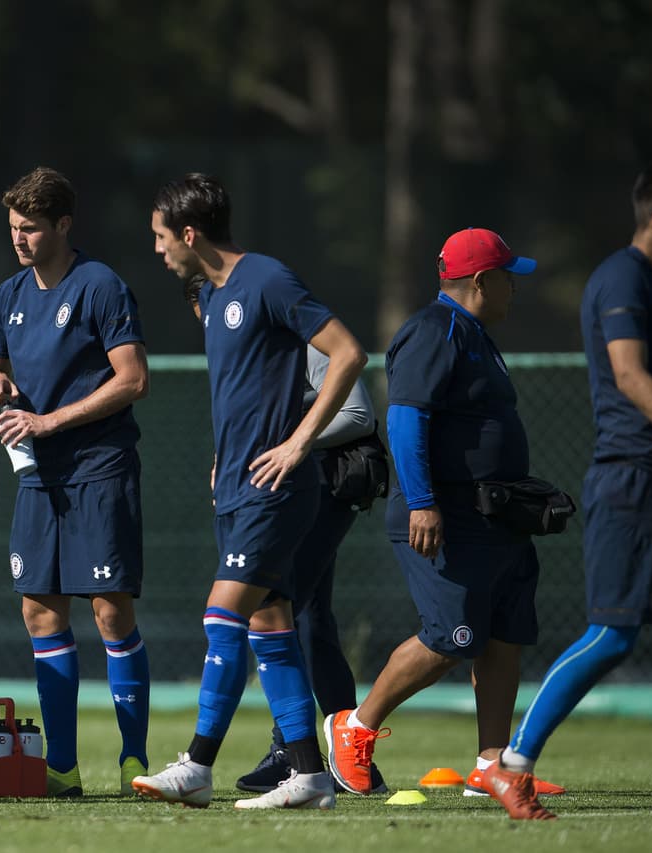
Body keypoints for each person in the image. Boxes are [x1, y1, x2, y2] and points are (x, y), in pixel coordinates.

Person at [484, 162, 652, 821]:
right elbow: (629, 374)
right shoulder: (621, 278)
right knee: (612, 634)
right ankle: (511, 767)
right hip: (632, 481)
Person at [134, 172, 366, 810]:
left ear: (189, 233)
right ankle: (310, 776)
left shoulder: (266, 277)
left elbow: (348, 353)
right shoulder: (210, 298)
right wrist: (221, 458)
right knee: (271, 626)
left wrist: (298, 443)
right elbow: (244, 392)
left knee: (222, 614)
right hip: (237, 488)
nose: (156, 249)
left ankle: (198, 765)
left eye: (160, 237)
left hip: (278, 488)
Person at [324, 227, 568, 801]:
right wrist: (425, 503)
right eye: (509, 277)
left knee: (502, 636)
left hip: (495, 515)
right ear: (482, 281)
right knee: (450, 636)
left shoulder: (476, 333)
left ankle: (492, 764)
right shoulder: (434, 330)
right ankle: (354, 727)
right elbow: (407, 419)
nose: (515, 287)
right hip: (444, 516)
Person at [178, 275, 388, 795]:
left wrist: (287, 443)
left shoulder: (296, 334)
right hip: (284, 485)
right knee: (307, 617)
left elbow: (360, 413)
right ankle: (337, 757)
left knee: (280, 613)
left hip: (324, 487)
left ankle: (304, 756)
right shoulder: (241, 351)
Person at [0, 166, 151, 797]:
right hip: (37, 479)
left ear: (63, 225)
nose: (20, 240)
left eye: (30, 228)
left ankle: (134, 760)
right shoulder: (10, 294)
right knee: (39, 612)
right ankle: (62, 768)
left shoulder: (100, 285)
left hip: (98, 470)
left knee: (109, 611)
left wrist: (48, 420)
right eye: (14, 229)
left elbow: (133, 379)